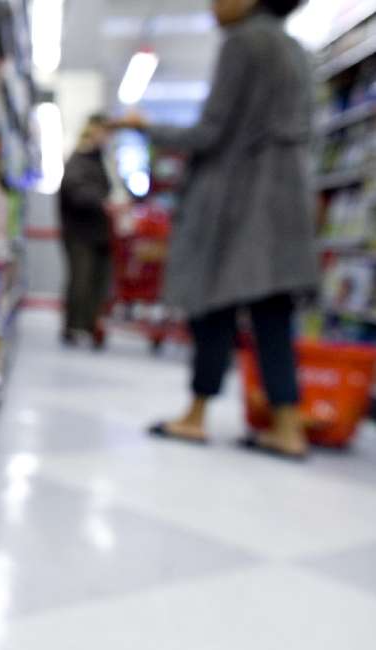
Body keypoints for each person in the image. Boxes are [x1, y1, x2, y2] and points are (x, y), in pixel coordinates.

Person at [113, 0, 318, 459]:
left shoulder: (243, 43)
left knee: (212, 306)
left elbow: (210, 133)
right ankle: (288, 426)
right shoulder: (294, 49)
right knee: (272, 314)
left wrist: (144, 128)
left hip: (236, 200)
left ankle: (196, 415)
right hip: (285, 201)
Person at [58, 114, 113, 348]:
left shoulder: (102, 160)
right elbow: (74, 192)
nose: (106, 137)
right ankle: (72, 327)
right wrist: (102, 201)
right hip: (80, 232)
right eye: (103, 131)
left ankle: (91, 325)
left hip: (100, 232)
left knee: (98, 282)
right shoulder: (78, 159)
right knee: (80, 279)